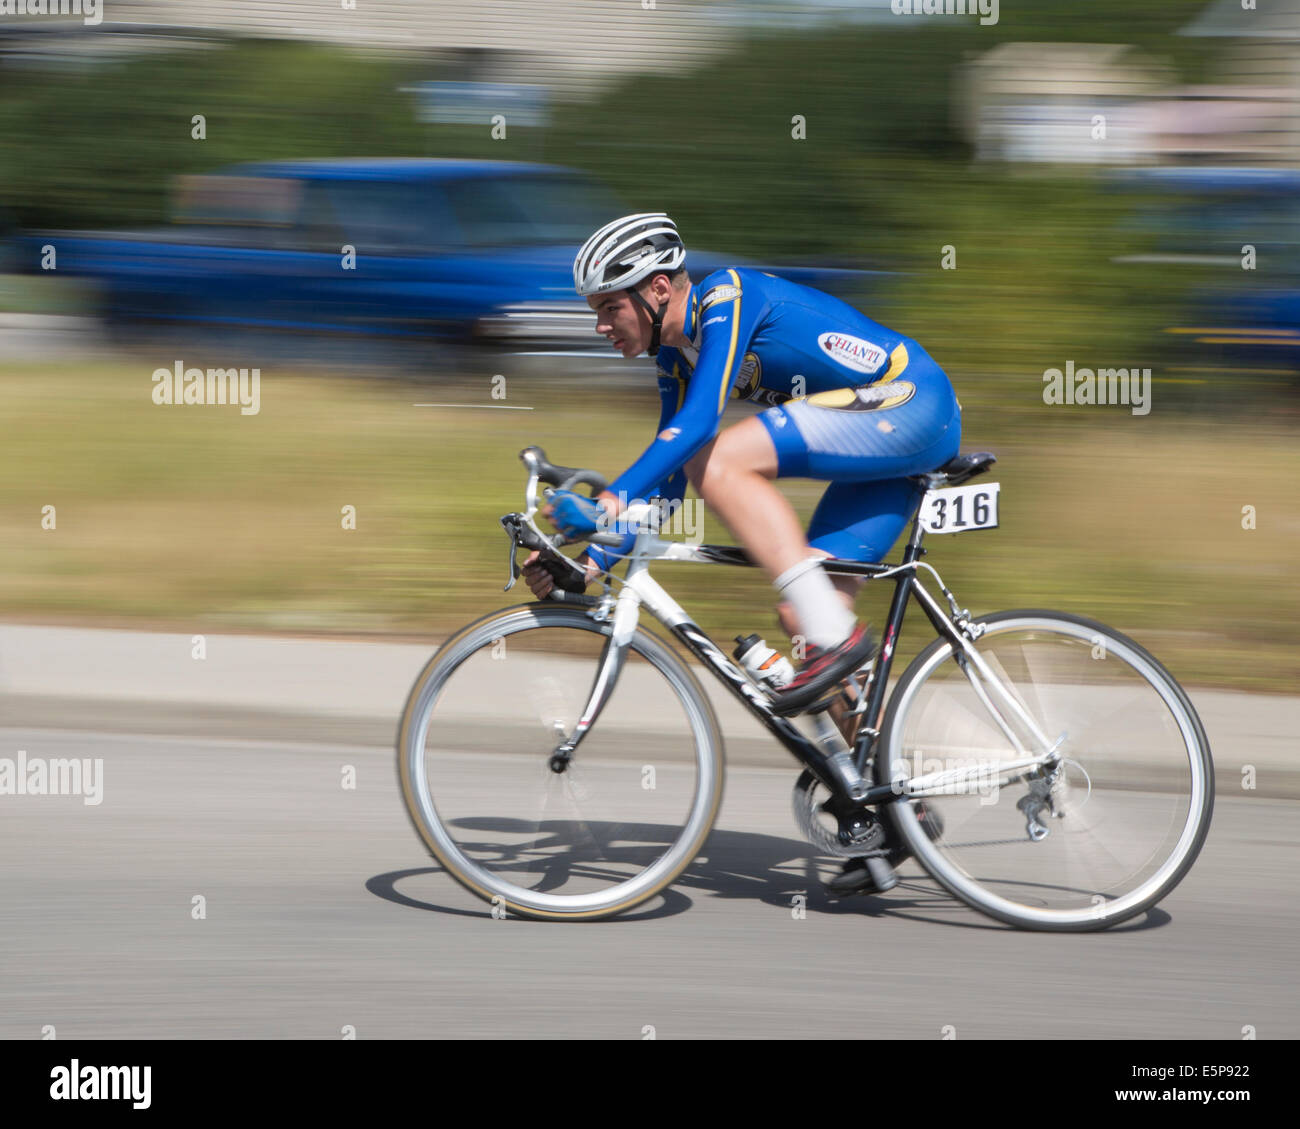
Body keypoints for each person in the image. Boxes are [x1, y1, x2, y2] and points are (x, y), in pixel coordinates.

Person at [521, 212, 961, 893]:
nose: (601, 326)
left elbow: (699, 431)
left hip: (911, 402)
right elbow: (671, 475)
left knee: (724, 461)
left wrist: (607, 504)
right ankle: (898, 812)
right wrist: (592, 562)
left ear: (660, 288)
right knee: (805, 618)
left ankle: (838, 642)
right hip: (879, 446)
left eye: (609, 307)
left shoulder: (726, 297)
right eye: (595, 312)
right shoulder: (675, 356)